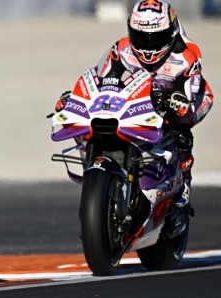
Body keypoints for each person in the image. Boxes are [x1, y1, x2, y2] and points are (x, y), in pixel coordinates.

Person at [56, 1, 214, 213]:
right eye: (141, 37)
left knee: (178, 129)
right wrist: (77, 98)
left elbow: (189, 94)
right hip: (140, 96)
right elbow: (101, 78)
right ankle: (95, 167)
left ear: (171, 32)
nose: (148, 46)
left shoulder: (185, 57)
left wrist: (179, 103)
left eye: (155, 38)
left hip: (192, 98)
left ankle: (183, 184)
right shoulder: (121, 49)